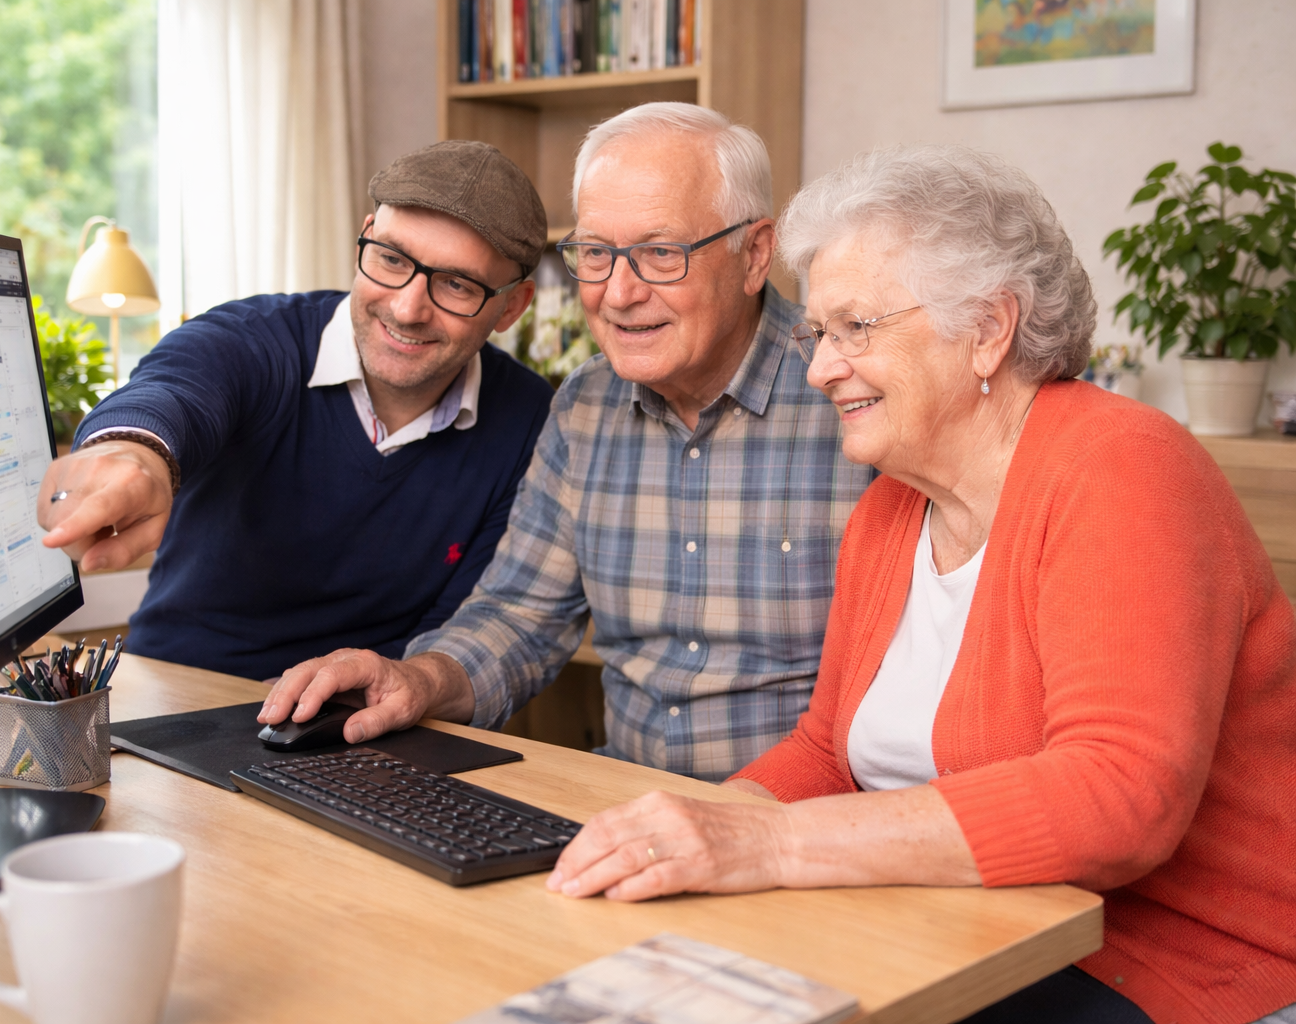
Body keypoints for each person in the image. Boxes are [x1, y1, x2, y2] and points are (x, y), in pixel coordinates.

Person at [542, 145, 1296, 1024]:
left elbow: (1120, 796)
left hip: (1167, 964)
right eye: (818, 334)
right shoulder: (892, 513)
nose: (821, 368)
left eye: (856, 328)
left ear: (988, 329)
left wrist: (770, 842)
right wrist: (693, 828)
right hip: (966, 930)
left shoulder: (1122, 469)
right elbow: (827, 753)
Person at [260, 102, 873, 781]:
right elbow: (518, 616)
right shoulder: (585, 406)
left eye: (660, 254)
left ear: (755, 254)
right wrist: (420, 681)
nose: (619, 293)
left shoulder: (853, 393)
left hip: (809, 824)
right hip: (629, 811)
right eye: (596, 255)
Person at [37, 141, 554, 680]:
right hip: (183, 696)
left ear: (512, 306)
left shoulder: (529, 420)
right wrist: (135, 453)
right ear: (368, 233)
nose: (406, 308)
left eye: (456, 285)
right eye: (392, 259)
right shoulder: (254, 343)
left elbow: (467, 630)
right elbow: (171, 391)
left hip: (365, 729)